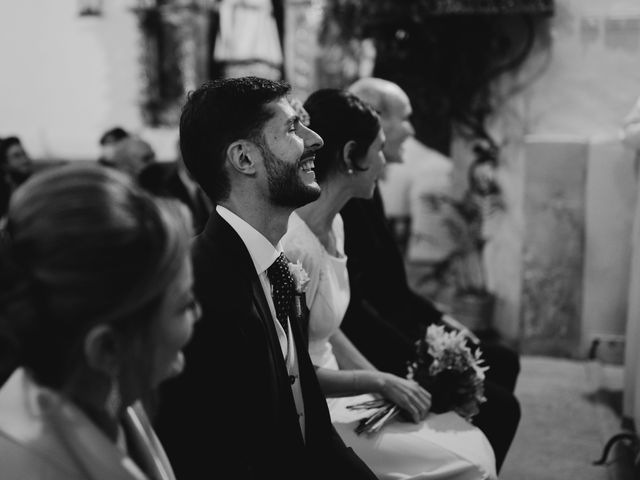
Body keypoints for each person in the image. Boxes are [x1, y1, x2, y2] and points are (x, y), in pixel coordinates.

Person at [153, 76, 378, 480]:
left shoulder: (280, 268)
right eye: (293, 128)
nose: (315, 140)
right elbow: (219, 459)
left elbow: (312, 422)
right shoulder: (200, 288)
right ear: (244, 159)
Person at [283, 88, 497, 480]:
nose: (383, 162)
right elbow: (291, 370)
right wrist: (377, 380)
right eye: (378, 150)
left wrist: (386, 386)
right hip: (313, 409)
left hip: (344, 387)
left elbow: (329, 336)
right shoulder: (296, 247)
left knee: (470, 440)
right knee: (468, 462)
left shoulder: (338, 224)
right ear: (351, 157)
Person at [343, 77, 521, 472]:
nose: (411, 129)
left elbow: (395, 289)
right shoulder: (346, 203)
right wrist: (416, 355)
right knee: (502, 406)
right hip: (375, 344)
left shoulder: (367, 193)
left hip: (395, 327)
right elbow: (355, 310)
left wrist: (445, 324)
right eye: (404, 118)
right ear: (374, 122)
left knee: (503, 361)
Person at [0, 163, 200, 479]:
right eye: (185, 304)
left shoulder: (105, 394)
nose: (198, 314)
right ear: (106, 348)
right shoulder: (29, 468)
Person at [138, 142, 212, 234]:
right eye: (194, 155)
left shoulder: (218, 183)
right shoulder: (161, 189)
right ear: (180, 156)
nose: (199, 162)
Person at [0, 136, 33, 220]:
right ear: (5, 164)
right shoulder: (4, 196)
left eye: (24, 154)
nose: (24, 160)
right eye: (16, 156)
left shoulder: (34, 190)